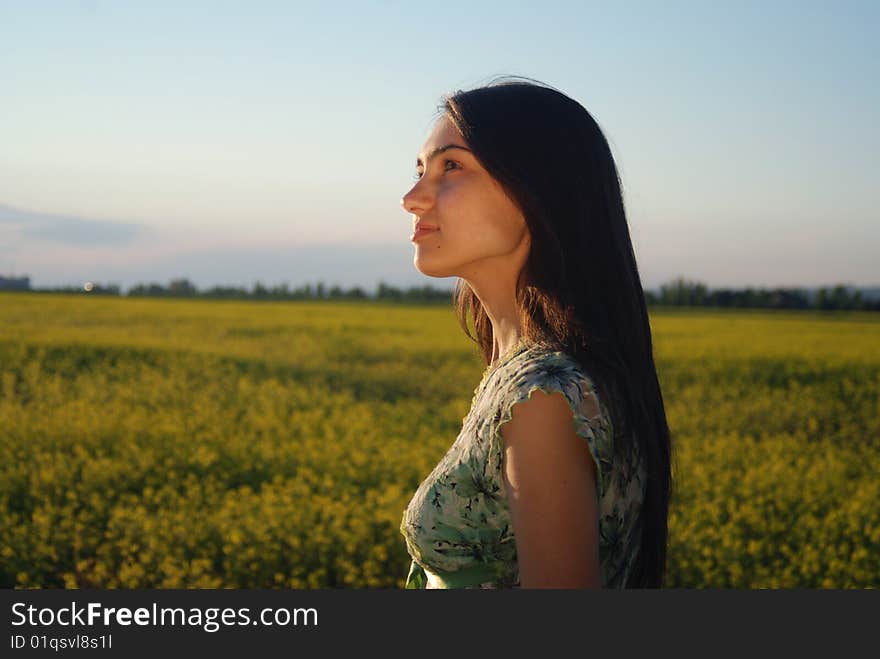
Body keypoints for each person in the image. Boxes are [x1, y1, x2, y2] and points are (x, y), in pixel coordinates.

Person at [398, 76, 673, 589]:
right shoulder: (536, 375)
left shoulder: (541, 397)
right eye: (419, 170)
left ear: (538, 189)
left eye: (450, 166)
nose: (412, 198)